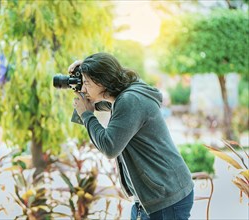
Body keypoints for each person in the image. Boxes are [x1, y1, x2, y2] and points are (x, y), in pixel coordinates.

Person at [69, 52, 194, 220]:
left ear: (102, 81)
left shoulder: (130, 100)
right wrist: (85, 68)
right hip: (153, 196)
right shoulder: (127, 94)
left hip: (166, 197)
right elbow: (104, 105)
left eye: (87, 83)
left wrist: (86, 115)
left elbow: (109, 146)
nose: (83, 89)